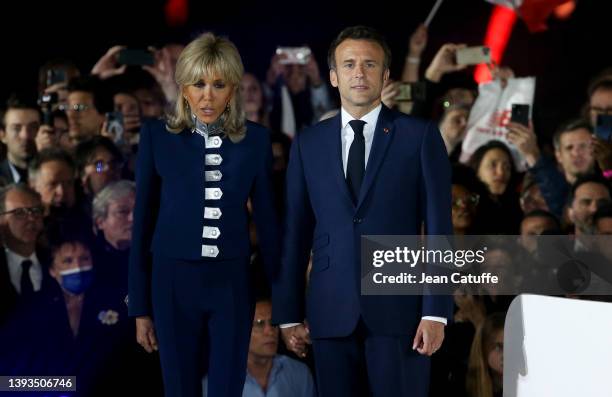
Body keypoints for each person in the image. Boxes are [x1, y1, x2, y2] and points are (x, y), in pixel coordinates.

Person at [273, 26, 453, 397]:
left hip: (400, 314)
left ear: (386, 75)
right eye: (349, 64)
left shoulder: (418, 135)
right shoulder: (308, 143)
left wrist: (435, 312)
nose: (359, 73)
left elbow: (438, 228)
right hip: (329, 311)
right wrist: (288, 312)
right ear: (334, 77)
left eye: (370, 64)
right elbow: (295, 232)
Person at [128, 32, 280, 397]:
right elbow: (142, 225)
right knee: (179, 389)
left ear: (233, 89)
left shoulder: (256, 140)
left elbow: (270, 227)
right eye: (198, 84)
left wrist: (287, 303)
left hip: (231, 283)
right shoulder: (156, 136)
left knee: (227, 390)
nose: (207, 95)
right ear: (183, 87)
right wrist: (139, 306)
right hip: (171, 282)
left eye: (218, 84)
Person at [203, 297, 316, 397]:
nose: (270, 331)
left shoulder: (299, 373)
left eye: (273, 323)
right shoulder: (218, 381)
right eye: (259, 323)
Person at [465, 312, 505, 397]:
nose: (506, 355)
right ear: (482, 348)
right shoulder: (461, 383)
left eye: (512, 347)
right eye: (498, 347)